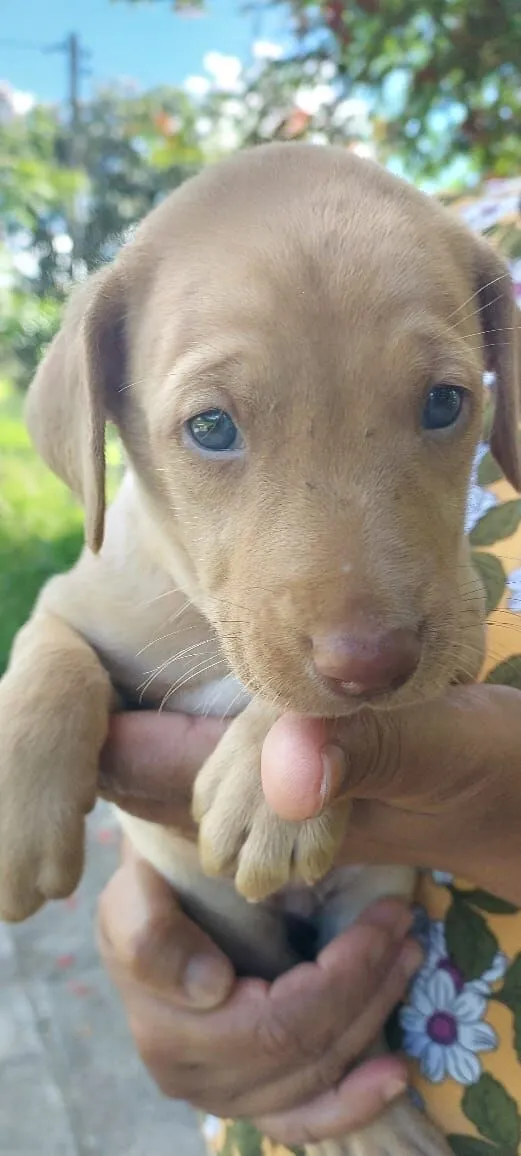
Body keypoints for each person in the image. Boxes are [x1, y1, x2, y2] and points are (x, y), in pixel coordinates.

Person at [98, 178, 521, 1154]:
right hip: (291, 1097)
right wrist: (165, 924)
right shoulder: (437, 240)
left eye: (441, 404)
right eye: (214, 425)